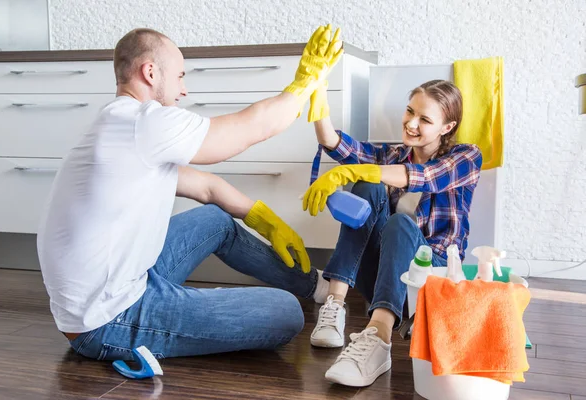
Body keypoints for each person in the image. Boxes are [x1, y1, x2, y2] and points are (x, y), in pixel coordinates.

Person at [36, 25, 340, 360]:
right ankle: (192, 312)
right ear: (150, 72)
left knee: (216, 220)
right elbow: (251, 128)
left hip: (118, 289)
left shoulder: (122, 127)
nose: (183, 89)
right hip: (107, 321)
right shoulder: (143, 123)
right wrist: (306, 81)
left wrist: (263, 218)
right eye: (180, 76)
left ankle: (317, 288)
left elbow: (207, 187)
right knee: (285, 313)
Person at [303, 79, 483, 387]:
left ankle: (379, 337)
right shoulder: (396, 155)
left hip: (429, 285)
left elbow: (426, 177)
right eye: (410, 111)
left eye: (424, 119)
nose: (412, 123)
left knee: (399, 222)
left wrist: (359, 170)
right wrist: (318, 101)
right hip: (387, 280)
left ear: (447, 126)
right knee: (368, 186)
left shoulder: (466, 157)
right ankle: (334, 305)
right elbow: (338, 146)